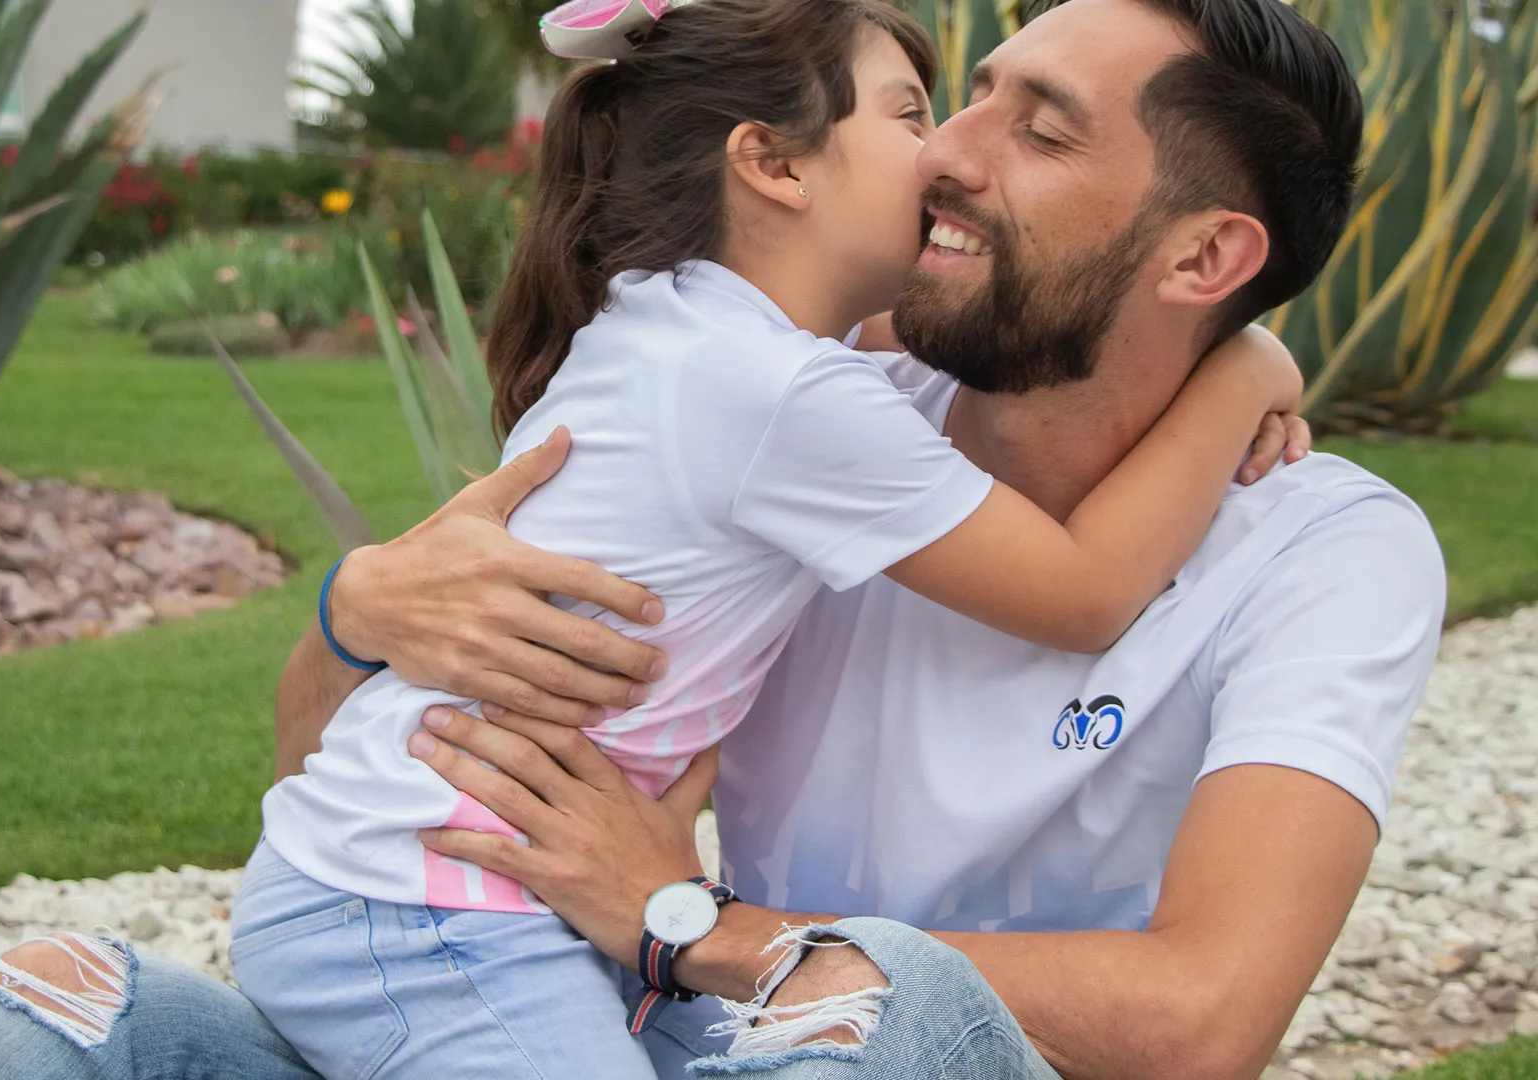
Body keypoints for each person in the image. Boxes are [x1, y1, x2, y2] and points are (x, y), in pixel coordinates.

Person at [0, 0, 1446, 1077]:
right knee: (61, 1021)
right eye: (947, 100)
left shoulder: (1323, 553)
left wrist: (688, 924)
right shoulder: (822, 419)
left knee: (885, 1020)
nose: (954, 150)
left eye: (1032, 128)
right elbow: (318, 760)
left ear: (1208, 254)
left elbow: (1198, 1023)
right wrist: (365, 609)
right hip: (655, 1021)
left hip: (816, 1030)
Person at [239, 0, 1305, 1073]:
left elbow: (943, 328)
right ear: (776, 167)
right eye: (910, 114)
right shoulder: (785, 395)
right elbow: (1086, 593)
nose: (941, 154)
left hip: (423, 881)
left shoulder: (689, 320)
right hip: (435, 909)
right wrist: (1242, 367)